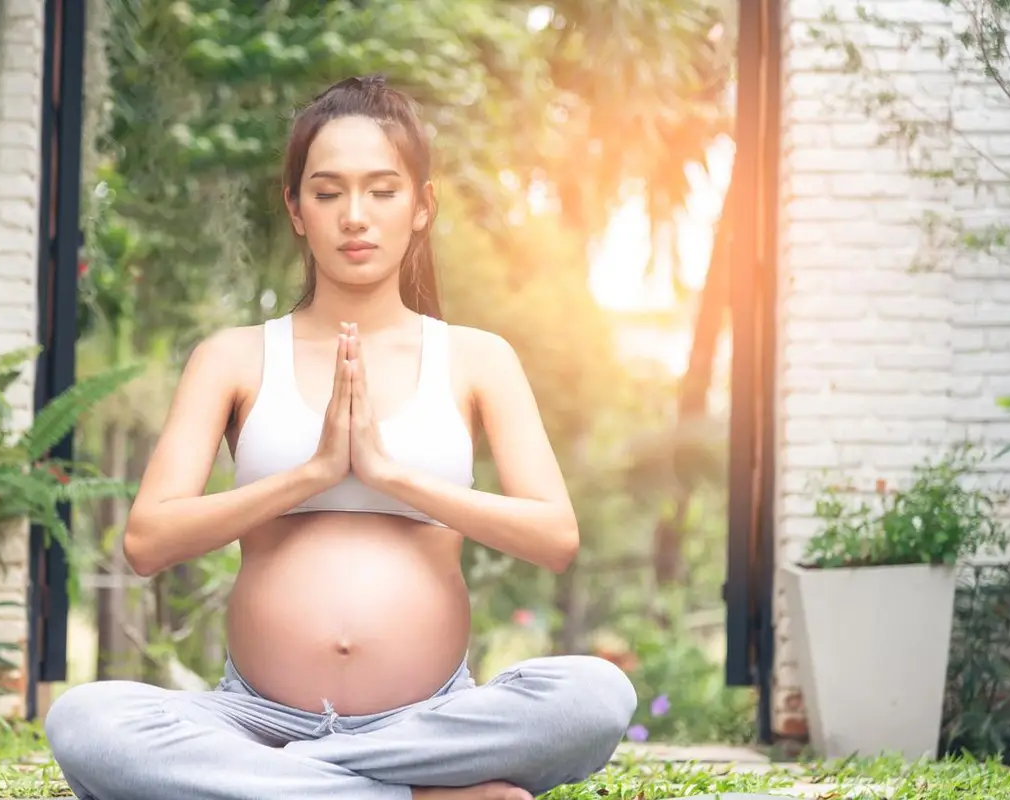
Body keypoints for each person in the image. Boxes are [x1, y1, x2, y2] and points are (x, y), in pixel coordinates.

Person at [45, 74, 638, 800]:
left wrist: (389, 474)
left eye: (382, 191)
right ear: (296, 210)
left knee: (595, 696)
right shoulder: (231, 358)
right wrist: (312, 473)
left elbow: (554, 536)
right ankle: (409, 796)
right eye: (327, 193)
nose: (355, 216)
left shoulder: (478, 359)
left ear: (422, 207)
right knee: (85, 721)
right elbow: (147, 542)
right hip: (254, 721)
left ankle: (286, 791)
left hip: (432, 720)